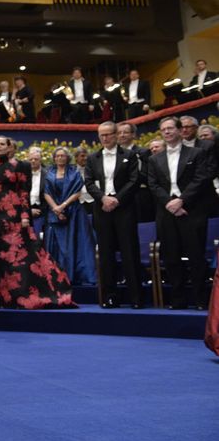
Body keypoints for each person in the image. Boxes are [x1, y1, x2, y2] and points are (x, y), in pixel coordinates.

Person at [0, 136, 74, 308]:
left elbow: (23, 192)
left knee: (19, 252)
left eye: (2, 144)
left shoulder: (21, 166)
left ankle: (19, 292)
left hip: (15, 213)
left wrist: (25, 216)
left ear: (9, 147)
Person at [147, 117, 212, 309]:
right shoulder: (154, 158)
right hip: (166, 212)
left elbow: (201, 179)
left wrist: (182, 200)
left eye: (170, 128)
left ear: (179, 130)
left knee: (196, 256)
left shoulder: (196, 153)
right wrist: (169, 203)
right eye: (163, 129)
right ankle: (178, 299)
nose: (167, 132)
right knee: (171, 257)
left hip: (191, 211)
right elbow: (153, 184)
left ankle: (200, 300)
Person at [85, 122, 142, 307]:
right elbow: (89, 182)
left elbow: (134, 180)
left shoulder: (129, 155)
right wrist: (103, 198)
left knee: (129, 251)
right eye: (101, 135)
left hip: (124, 208)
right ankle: (110, 296)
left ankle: (136, 297)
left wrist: (117, 199)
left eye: (108, 134)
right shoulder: (92, 158)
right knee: (106, 253)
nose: (105, 138)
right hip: (102, 209)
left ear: (116, 135)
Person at [43, 147, 96, 286]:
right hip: (54, 212)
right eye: (57, 156)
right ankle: (57, 276)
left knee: (77, 243)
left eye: (63, 156)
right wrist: (56, 208)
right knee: (58, 246)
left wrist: (63, 206)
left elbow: (78, 192)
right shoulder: (49, 173)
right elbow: (46, 193)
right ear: (54, 158)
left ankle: (76, 275)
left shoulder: (75, 172)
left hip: (74, 212)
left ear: (68, 158)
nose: (60, 158)